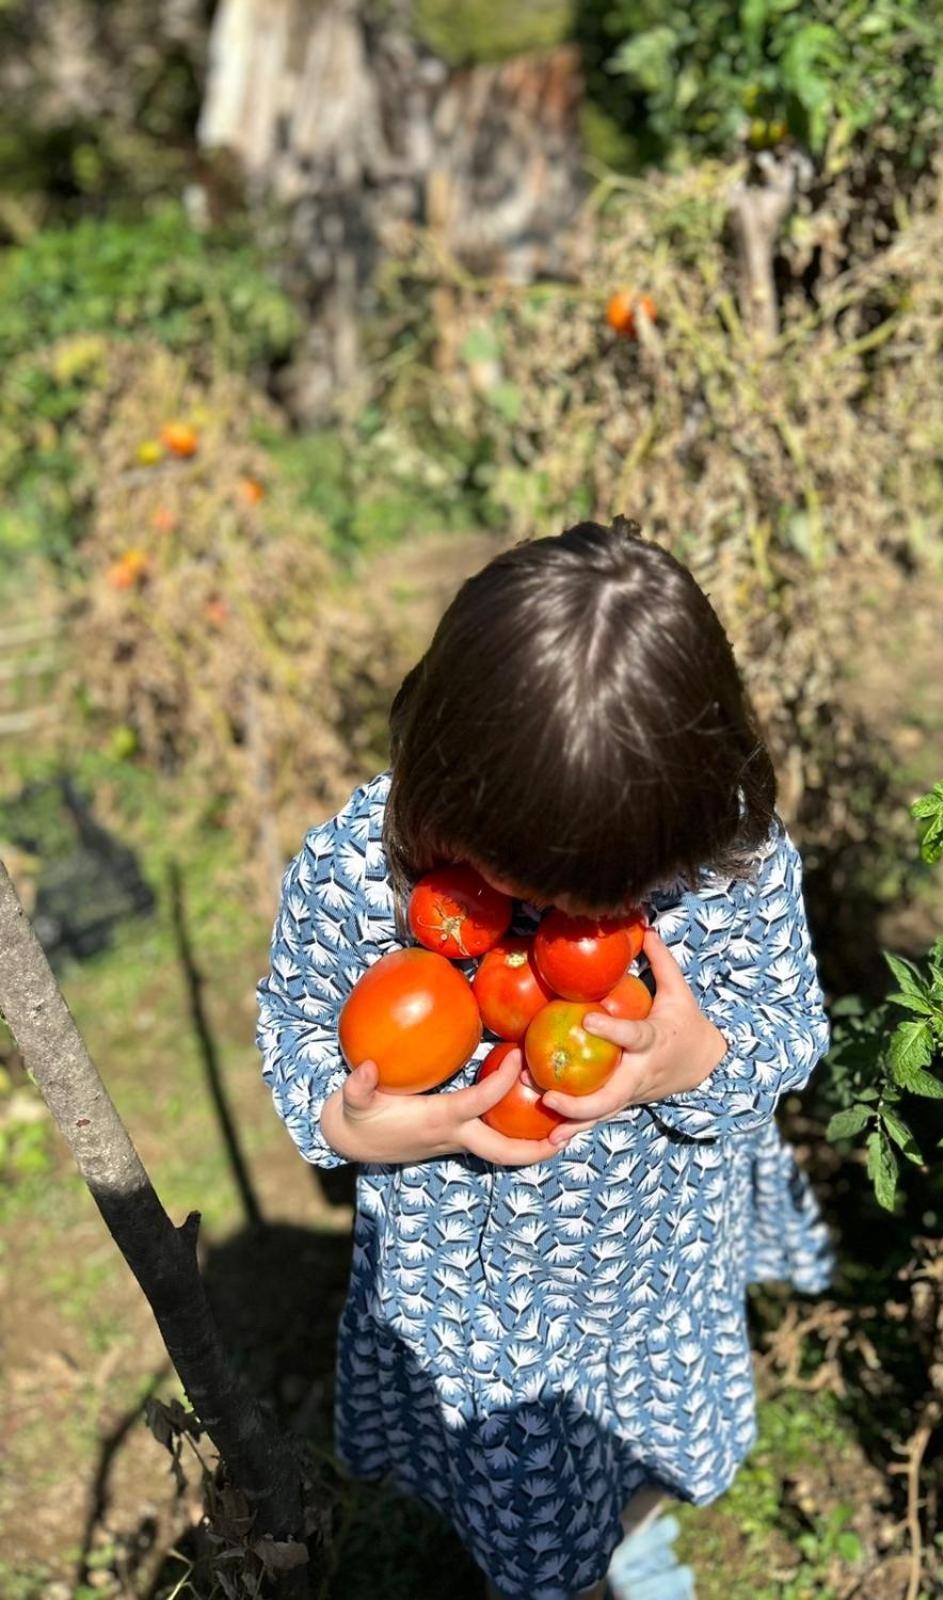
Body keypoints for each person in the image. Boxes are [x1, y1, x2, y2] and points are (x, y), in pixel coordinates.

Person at [255, 517, 834, 1600]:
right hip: (478, 1292)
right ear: (440, 777)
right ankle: (555, 1575)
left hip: (654, 1264)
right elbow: (293, 1030)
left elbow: (789, 1030)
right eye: (512, 880)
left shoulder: (729, 864)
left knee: (635, 1453)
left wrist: (691, 1056)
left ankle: (631, 1539)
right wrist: (360, 1125)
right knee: (523, 1495)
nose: (547, 927)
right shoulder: (356, 870)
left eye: (594, 905)